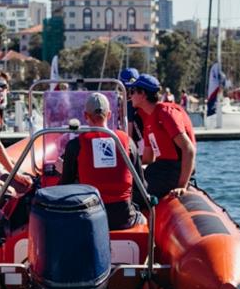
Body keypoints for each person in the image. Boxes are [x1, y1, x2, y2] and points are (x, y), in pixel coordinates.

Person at [59, 93, 144, 230]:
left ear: (86, 115)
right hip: (124, 218)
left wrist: (62, 170)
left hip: (91, 218)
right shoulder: (127, 141)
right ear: (109, 114)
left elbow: (66, 185)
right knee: (143, 217)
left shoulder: (75, 145)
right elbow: (141, 184)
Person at [129, 74, 196, 199]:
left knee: (135, 195)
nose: (130, 95)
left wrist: (182, 185)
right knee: (128, 184)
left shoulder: (166, 114)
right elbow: (148, 159)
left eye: (132, 91)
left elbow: (189, 149)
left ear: (143, 94)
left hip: (174, 170)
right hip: (161, 168)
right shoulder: (149, 120)